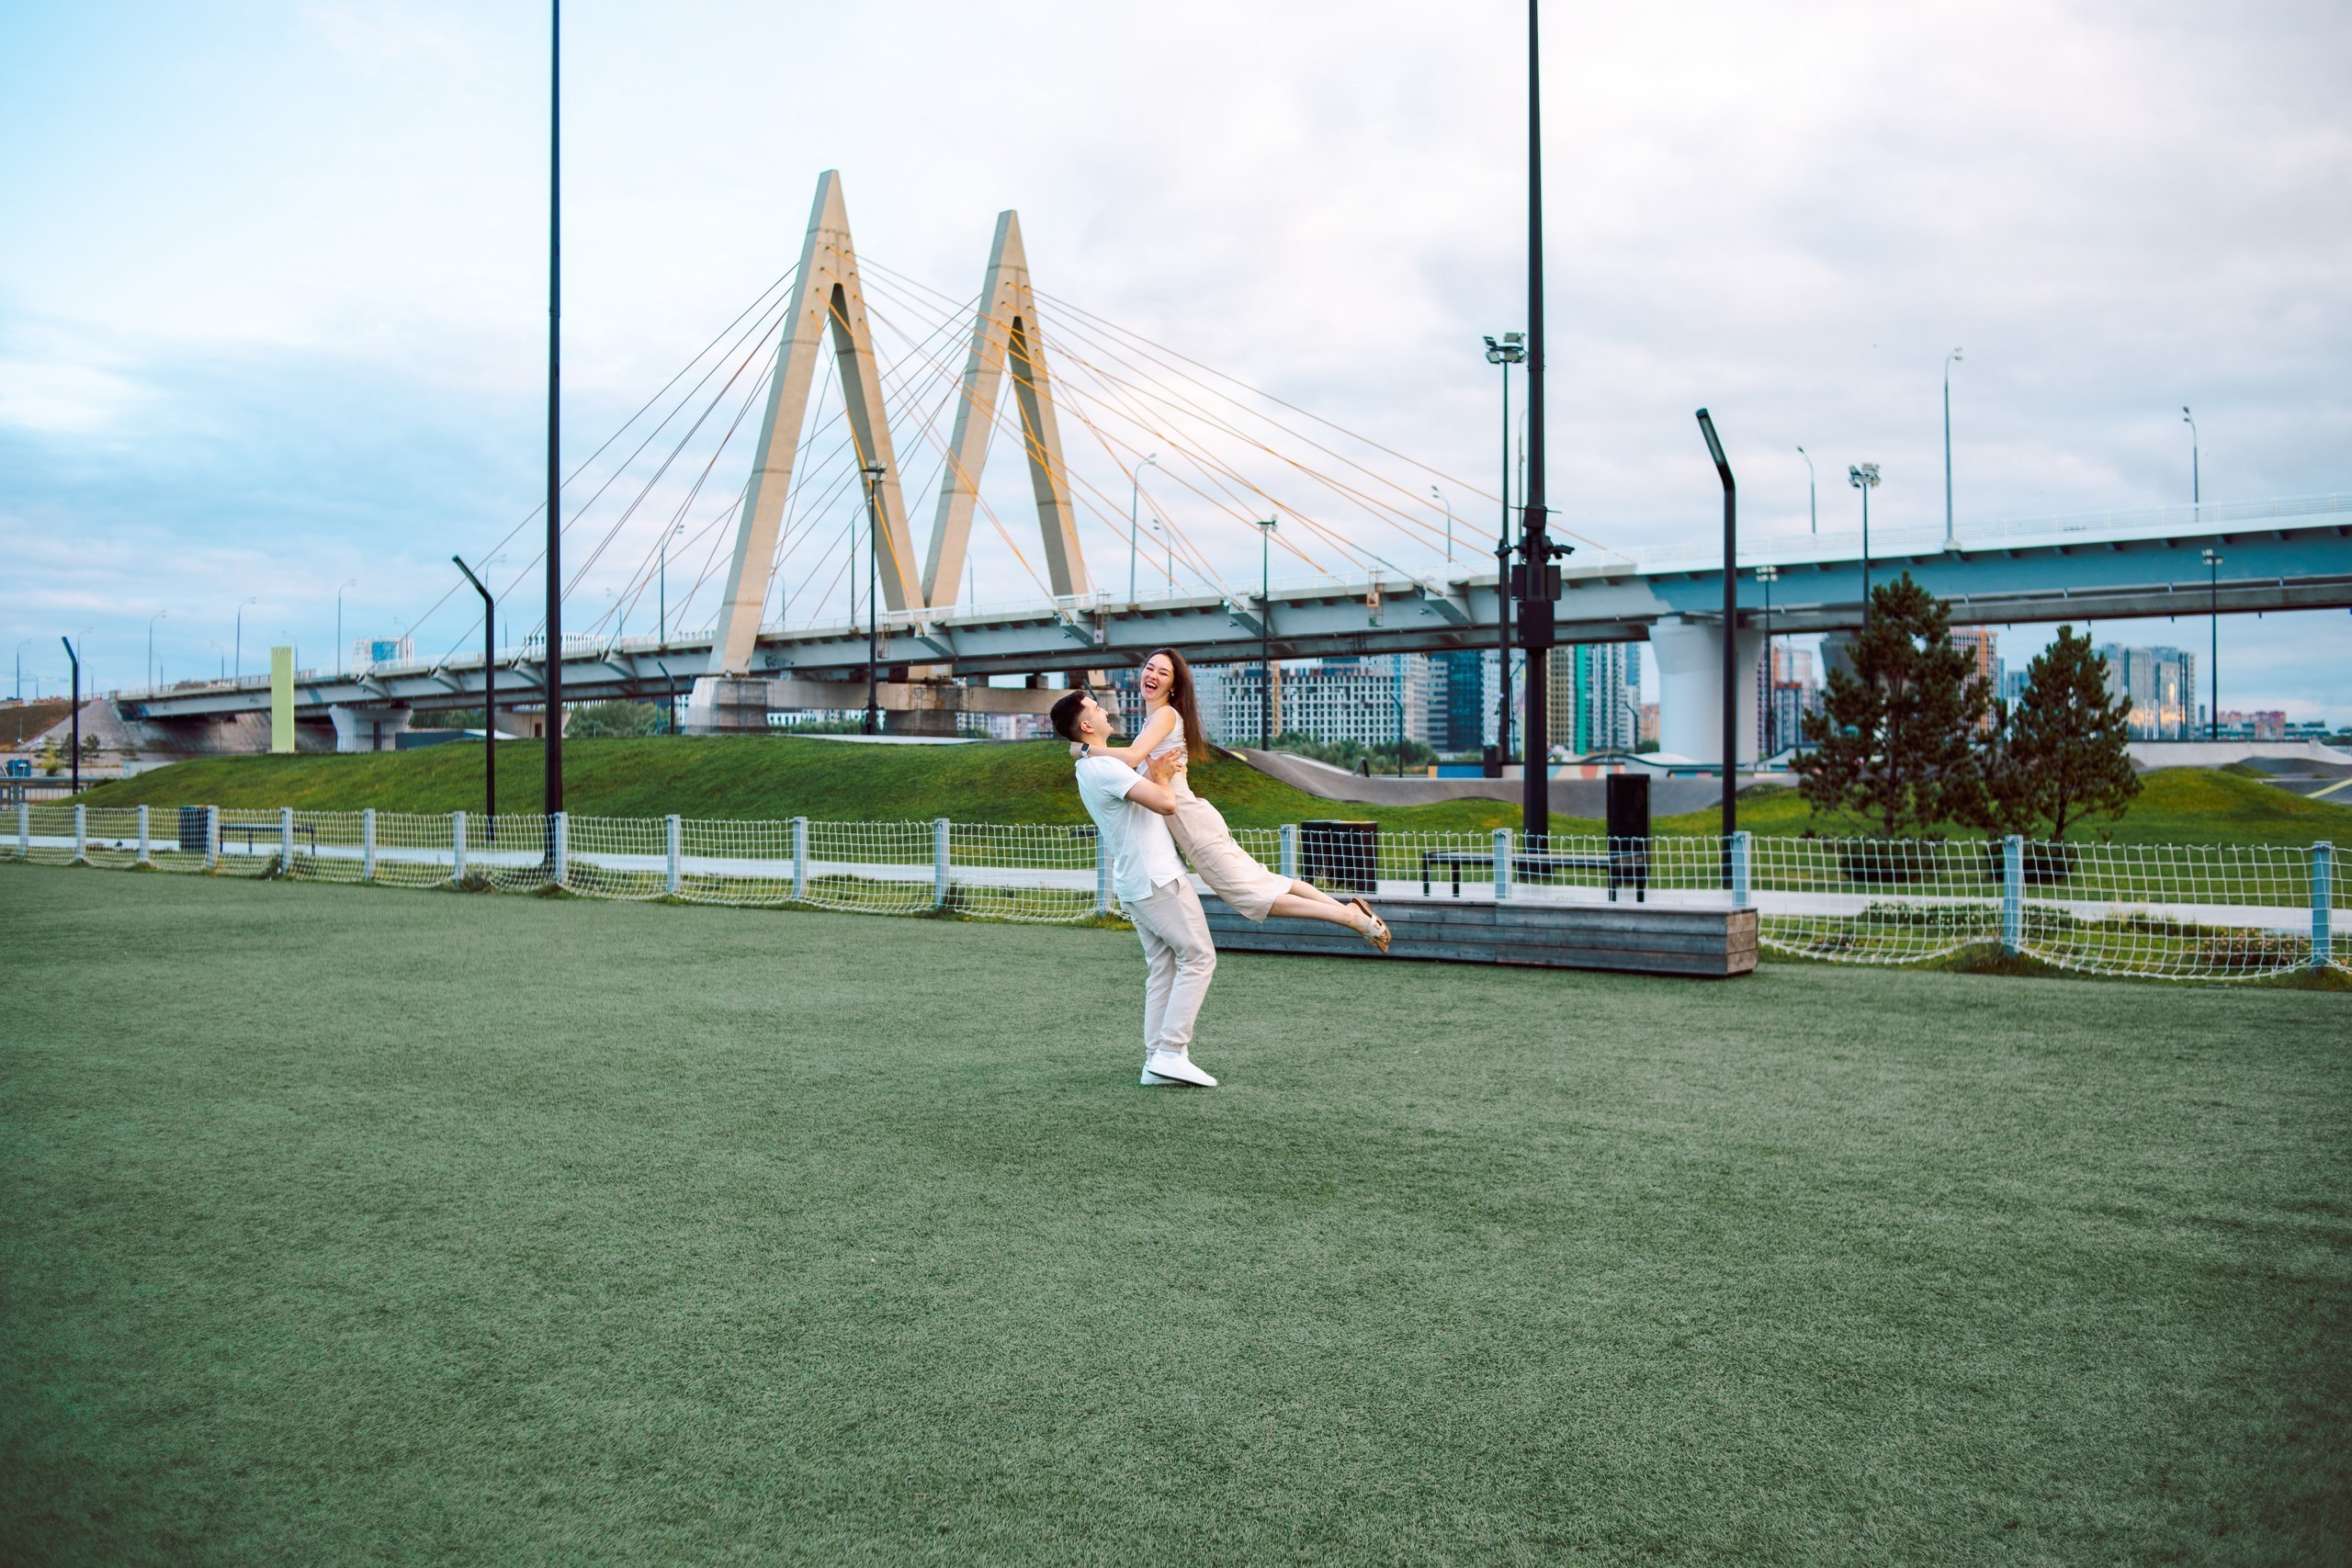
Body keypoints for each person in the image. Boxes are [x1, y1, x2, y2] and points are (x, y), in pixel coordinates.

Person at [1075, 648, 1391, 953]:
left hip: (1192, 825)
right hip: (1196, 820)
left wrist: (1084, 749)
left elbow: (1131, 758)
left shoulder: (1165, 716)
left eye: (1163, 672)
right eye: (1150, 668)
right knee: (1266, 881)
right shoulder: (1154, 721)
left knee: (1251, 896)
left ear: (1174, 686)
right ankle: (1348, 908)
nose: (1153, 675)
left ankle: (1350, 917)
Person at [1054, 687, 1222, 1088]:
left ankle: (1155, 1062)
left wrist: (1150, 772)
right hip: (1158, 880)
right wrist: (1162, 778)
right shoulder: (1105, 768)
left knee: (1163, 969)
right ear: (1087, 725)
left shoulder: (1090, 766)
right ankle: (1171, 1052)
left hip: (1136, 882)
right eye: (1097, 708)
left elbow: (1130, 789)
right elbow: (1166, 805)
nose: (1105, 710)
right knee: (1199, 957)